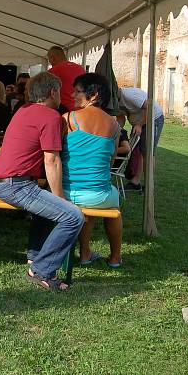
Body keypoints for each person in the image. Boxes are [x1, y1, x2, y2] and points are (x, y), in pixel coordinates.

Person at [0, 72, 84, 291]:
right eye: (60, 91)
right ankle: (42, 269)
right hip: (16, 185)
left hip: (2, 182)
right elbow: (51, 160)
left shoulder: (23, 110)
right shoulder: (50, 116)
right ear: (52, 92)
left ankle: (35, 256)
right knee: (73, 216)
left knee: (48, 207)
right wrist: (61, 198)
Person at [62, 73, 122, 268]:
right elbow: (111, 162)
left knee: (87, 208)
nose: (72, 95)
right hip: (99, 194)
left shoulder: (69, 119)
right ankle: (115, 257)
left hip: (67, 193)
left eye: (78, 91)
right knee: (114, 207)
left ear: (94, 94)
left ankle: (85, 252)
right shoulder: (114, 125)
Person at [118, 86, 164, 192]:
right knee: (138, 152)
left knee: (147, 153)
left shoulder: (129, 95)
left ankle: (149, 186)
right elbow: (120, 116)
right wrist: (117, 130)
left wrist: (139, 124)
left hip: (154, 119)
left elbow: (149, 108)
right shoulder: (115, 100)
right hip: (139, 123)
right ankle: (135, 182)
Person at [47, 45, 87, 114]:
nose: (50, 62)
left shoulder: (52, 72)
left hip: (63, 112)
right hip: (81, 111)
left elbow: (48, 94)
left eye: (49, 60)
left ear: (52, 58)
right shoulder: (81, 69)